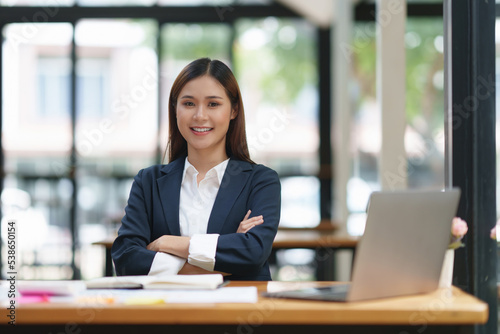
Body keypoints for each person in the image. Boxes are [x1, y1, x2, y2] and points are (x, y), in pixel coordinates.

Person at [111, 58, 281, 280]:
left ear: (233, 110)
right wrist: (225, 257)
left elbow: (253, 252)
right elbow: (126, 260)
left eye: (213, 104)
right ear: (175, 109)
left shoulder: (260, 181)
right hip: (166, 309)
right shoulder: (148, 182)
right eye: (189, 103)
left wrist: (168, 244)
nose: (200, 115)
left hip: (236, 310)